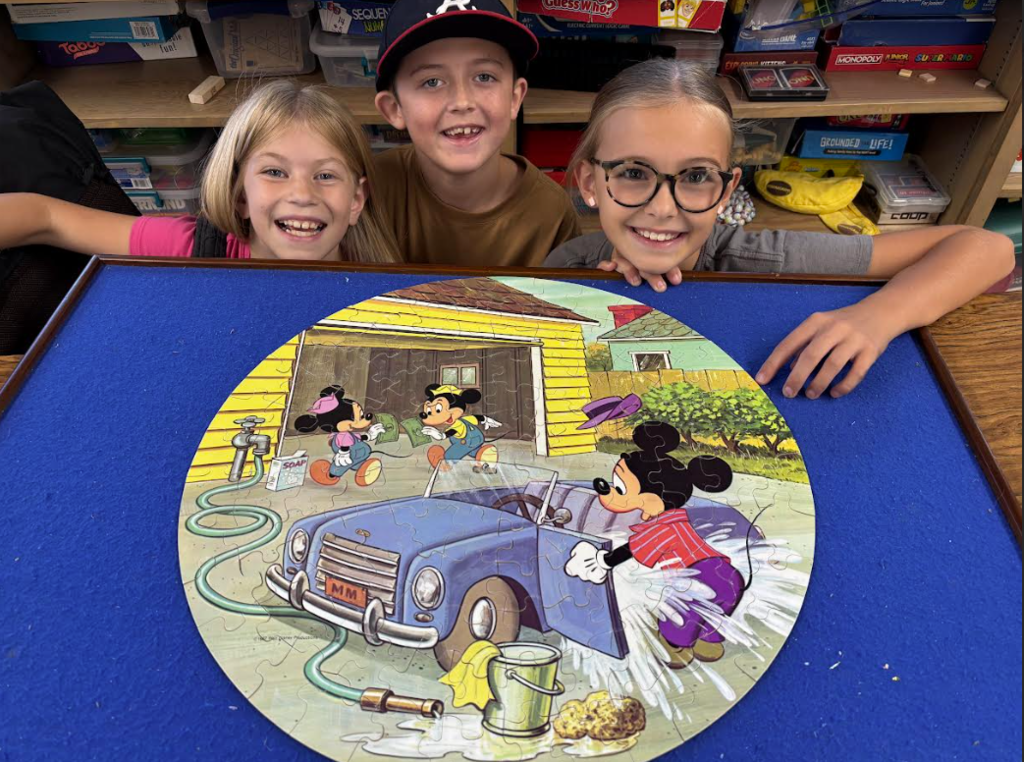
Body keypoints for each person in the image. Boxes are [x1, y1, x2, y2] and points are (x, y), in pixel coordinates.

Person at [544, 59, 1015, 399]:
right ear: (590, 183)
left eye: (694, 177)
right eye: (632, 173)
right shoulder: (568, 267)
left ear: (726, 190)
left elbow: (987, 247)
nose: (663, 208)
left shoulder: (766, 260)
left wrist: (878, 316)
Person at [0, 80, 399, 263]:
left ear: (356, 201)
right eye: (275, 172)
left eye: (326, 175)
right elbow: (45, 216)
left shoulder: (378, 275)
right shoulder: (194, 247)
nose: (302, 194)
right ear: (240, 196)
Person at [371, 0, 580, 266]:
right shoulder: (370, 190)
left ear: (515, 98)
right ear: (394, 108)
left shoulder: (551, 211)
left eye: (484, 77)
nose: (462, 102)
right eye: (432, 81)